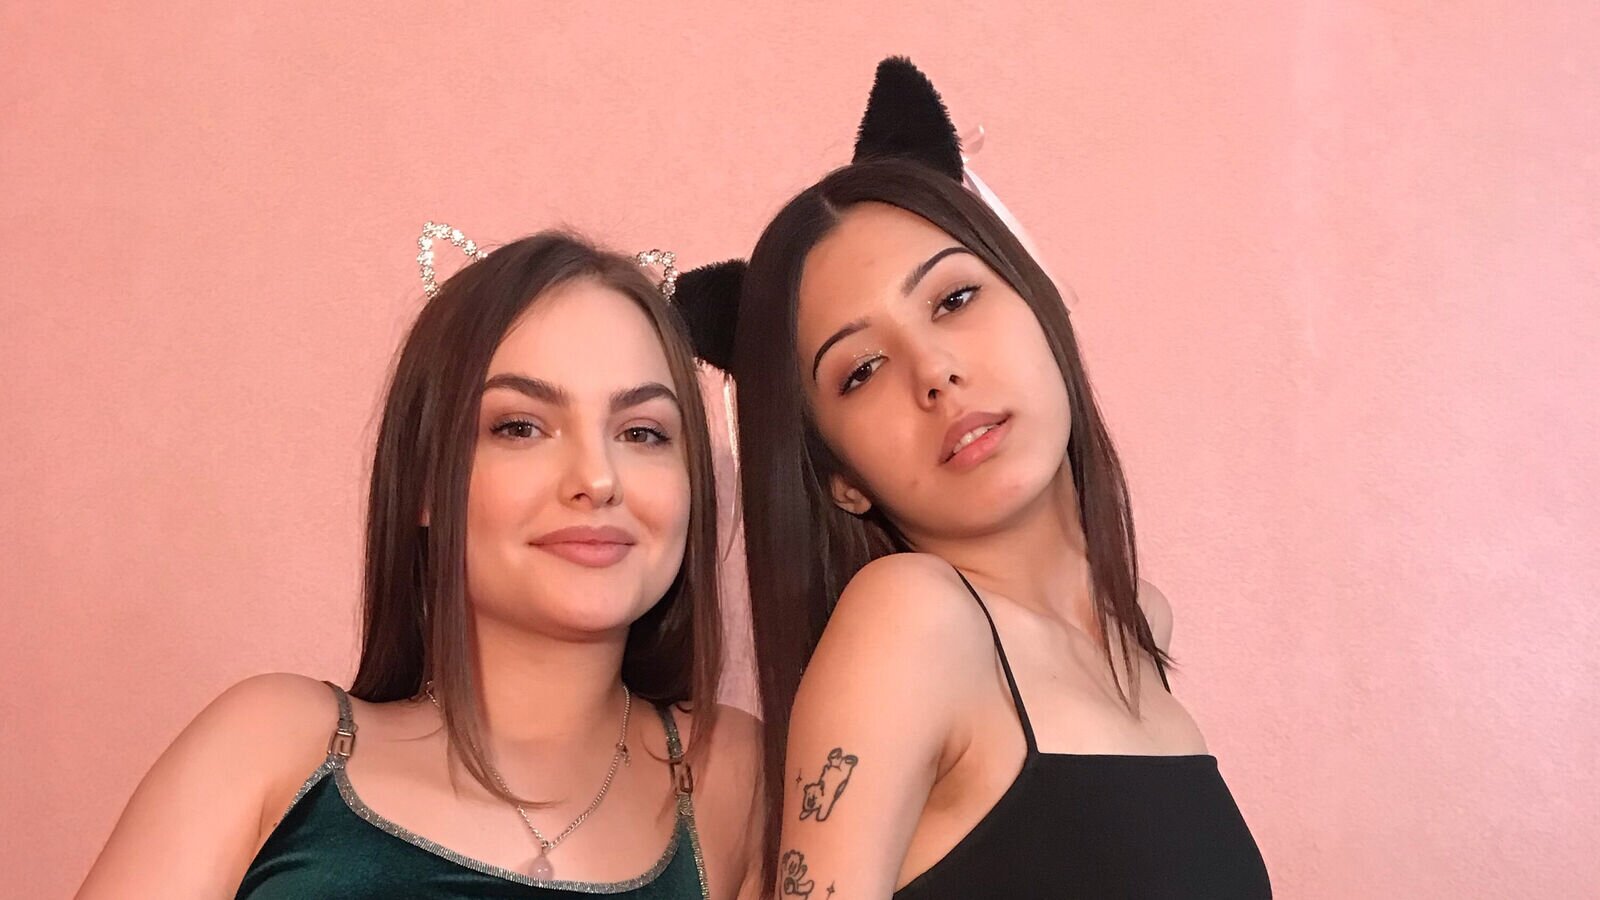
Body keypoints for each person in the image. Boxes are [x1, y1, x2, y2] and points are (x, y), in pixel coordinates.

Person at [679, 59, 1270, 898]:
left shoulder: (1138, 628)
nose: (934, 372)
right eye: (861, 371)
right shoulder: (913, 619)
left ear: (1038, 300)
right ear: (841, 479)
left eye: (953, 300)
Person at [77, 228, 760, 899]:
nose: (598, 478)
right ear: (426, 481)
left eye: (642, 432)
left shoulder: (733, 778)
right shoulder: (274, 743)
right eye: (520, 427)